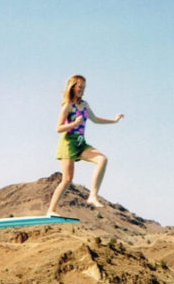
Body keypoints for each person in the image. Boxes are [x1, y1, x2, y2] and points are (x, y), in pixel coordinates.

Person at [47, 75, 124, 216]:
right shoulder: (68, 105)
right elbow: (58, 128)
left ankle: (92, 196)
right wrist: (74, 124)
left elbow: (95, 119)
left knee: (102, 159)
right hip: (68, 143)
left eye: (84, 87)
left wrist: (114, 121)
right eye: (79, 86)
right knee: (67, 179)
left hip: (80, 142)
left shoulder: (85, 105)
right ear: (72, 87)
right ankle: (51, 210)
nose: (82, 89)